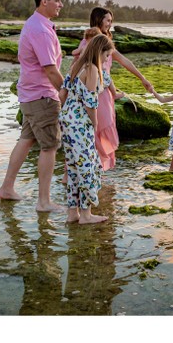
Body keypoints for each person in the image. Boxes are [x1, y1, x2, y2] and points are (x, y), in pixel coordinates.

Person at [0, 0, 65, 210]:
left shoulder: (37, 24)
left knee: (26, 140)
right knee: (50, 146)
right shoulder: (40, 30)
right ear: (44, 1)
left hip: (30, 94)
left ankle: (7, 188)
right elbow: (50, 69)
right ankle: (44, 201)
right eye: (57, 0)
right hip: (41, 96)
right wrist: (67, 94)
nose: (60, 4)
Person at [72, 7, 153, 170]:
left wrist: (142, 78)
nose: (110, 24)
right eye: (107, 20)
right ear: (98, 20)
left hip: (106, 92)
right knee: (96, 128)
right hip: (94, 91)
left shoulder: (105, 42)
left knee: (105, 125)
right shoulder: (89, 42)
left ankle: (97, 168)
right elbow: (77, 66)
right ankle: (91, 167)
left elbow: (124, 61)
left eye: (111, 21)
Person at [59, 33, 113, 224]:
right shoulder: (91, 70)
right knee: (87, 167)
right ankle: (86, 214)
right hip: (81, 124)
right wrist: (95, 124)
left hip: (67, 120)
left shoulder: (76, 65)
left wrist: (67, 113)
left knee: (73, 167)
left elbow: (62, 93)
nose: (107, 59)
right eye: (107, 55)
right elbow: (91, 102)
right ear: (100, 52)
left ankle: (72, 213)